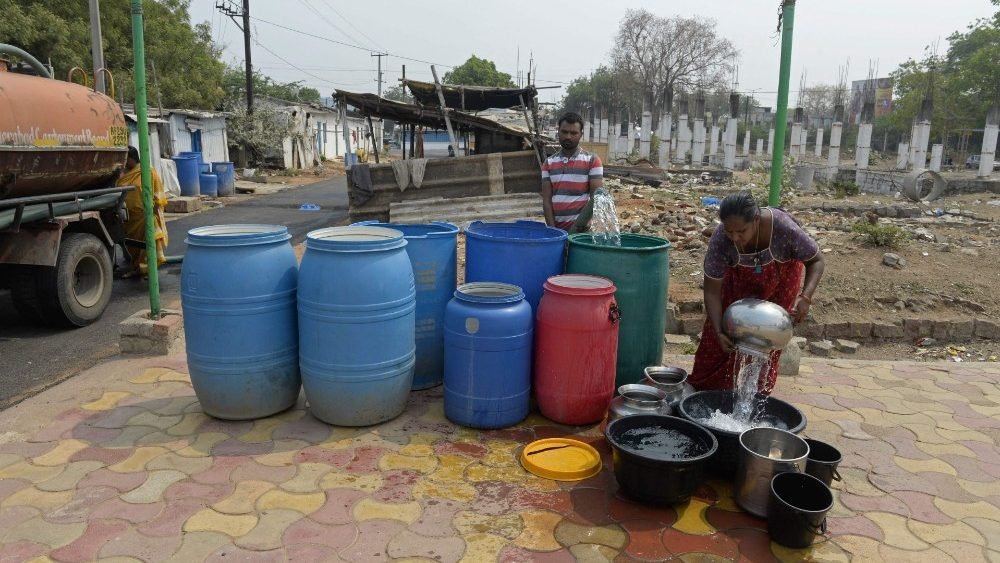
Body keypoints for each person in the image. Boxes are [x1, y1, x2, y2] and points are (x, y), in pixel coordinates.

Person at [689, 191, 825, 394]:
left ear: (756, 220)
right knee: (717, 345)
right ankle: (705, 395)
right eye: (729, 231)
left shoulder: (782, 228)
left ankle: (753, 398)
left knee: (764, 341)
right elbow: (711, 291)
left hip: (780, 286)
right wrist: (718, 331)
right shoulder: (720, 240)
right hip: (736, 289)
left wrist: (805, 297)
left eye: (741, 231)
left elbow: (816, 260)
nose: (735, 238)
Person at [541, 112, 604, 233]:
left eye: (573, 133)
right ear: (558, 132)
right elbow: (547, 201)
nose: (568, 136)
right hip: (556, 231)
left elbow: (596, 199)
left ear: (581, 134)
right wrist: (553, 232)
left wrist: (578, 228)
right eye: (564, 132)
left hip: (582, 232)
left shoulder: (592, 161)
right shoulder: (548, 163)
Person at [116, 146, 168, 278]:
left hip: (145, 216)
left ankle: (149, 271)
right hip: (129, 218)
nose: (124, 162)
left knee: (148, 245)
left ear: (132, 158)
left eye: (126, 159)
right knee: (133, 246)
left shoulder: (148, 171)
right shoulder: (123, 174)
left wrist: (154, 214)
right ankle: (136, 268)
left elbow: (157, 193)